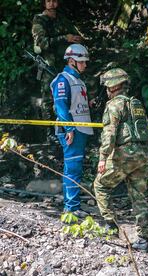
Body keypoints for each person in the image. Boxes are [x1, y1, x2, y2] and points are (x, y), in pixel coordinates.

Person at [93, 68, 148, 252]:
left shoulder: (113, 105)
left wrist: (103, 158)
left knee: (100, 185)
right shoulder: (136, 104)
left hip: (124, 155)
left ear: (113, 86)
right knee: (139, 197)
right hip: (142, 154)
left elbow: (109, 134)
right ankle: (143, 240)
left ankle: (110, 225)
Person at [50, 44, 93, 217]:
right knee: (72, 167)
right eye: (82, 62)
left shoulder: (79, 81)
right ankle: (71, 208)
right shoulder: (62, 79)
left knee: (76, 168)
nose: (85, 65)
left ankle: (74, 205)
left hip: (81, 129)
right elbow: (60, 106)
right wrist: (69, 128)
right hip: (71, 130)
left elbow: (74, 103)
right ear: (71, 61)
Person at [32, 0, 83, 142]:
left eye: (54, 1)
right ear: (44, 3)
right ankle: (50, 134)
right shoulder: (40, 20)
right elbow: (41, 44)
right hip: (49, 66)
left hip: (65, 66)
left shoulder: (61, 19)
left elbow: (76, 35)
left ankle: (67, 129)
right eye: (49, 1)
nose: (52, 4)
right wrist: (64, 38)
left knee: (67, 97)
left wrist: (75, 39)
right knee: (48, 99)